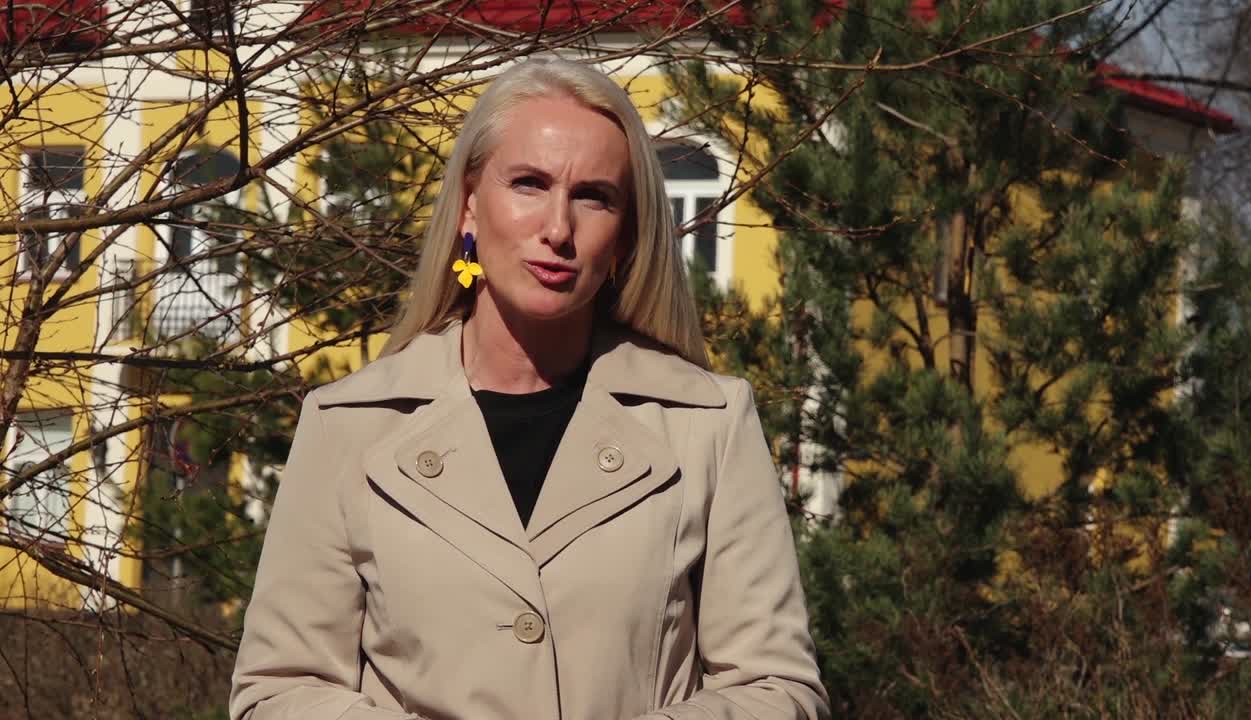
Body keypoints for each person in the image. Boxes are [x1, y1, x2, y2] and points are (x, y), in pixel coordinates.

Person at [228, 57, 829, 720]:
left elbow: (779, 691)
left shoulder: (706, 425)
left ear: (625, 239)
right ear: (468, 206)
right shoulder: (350, 425)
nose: (558, 230)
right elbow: (278, 690)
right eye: (529, 184)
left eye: (594, 196)